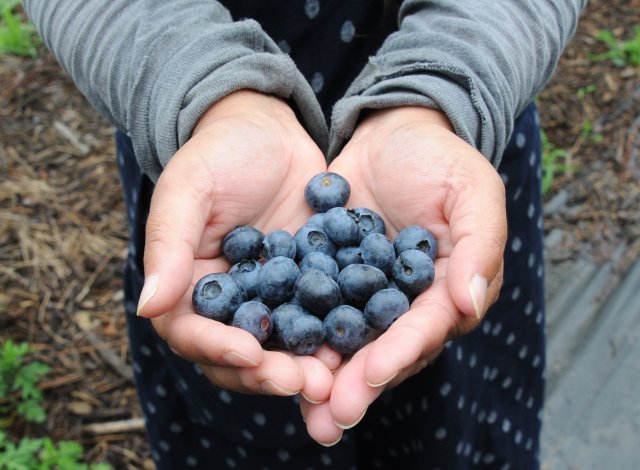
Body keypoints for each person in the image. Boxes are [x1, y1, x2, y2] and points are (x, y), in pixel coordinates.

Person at [24, 1, 586, 468]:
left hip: (454, 130)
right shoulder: (250, 238)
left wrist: (441, 89)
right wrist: (207, 93)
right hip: (196, 140)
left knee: (457, 419)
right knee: (245, 421)